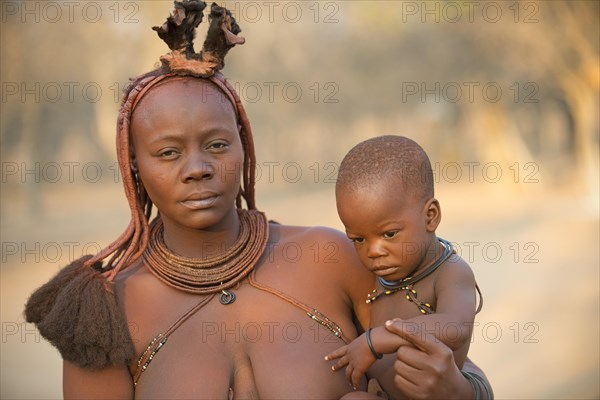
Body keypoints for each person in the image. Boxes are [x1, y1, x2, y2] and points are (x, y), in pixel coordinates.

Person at [24, 1, 492, 398]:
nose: (198, 167)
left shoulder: (332, 257)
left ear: (245, 150)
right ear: (134, 168)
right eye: (168, 152)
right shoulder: (105, 309)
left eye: (217, 145)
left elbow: (437, 368)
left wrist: (462, 391)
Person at [325, 136, 488, 397]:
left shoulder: (450, 272)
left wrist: (377, 338)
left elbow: (455, 327)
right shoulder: (381, 272)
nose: (373, 251)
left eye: (389, 234)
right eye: (358, 239)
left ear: (430, 216)